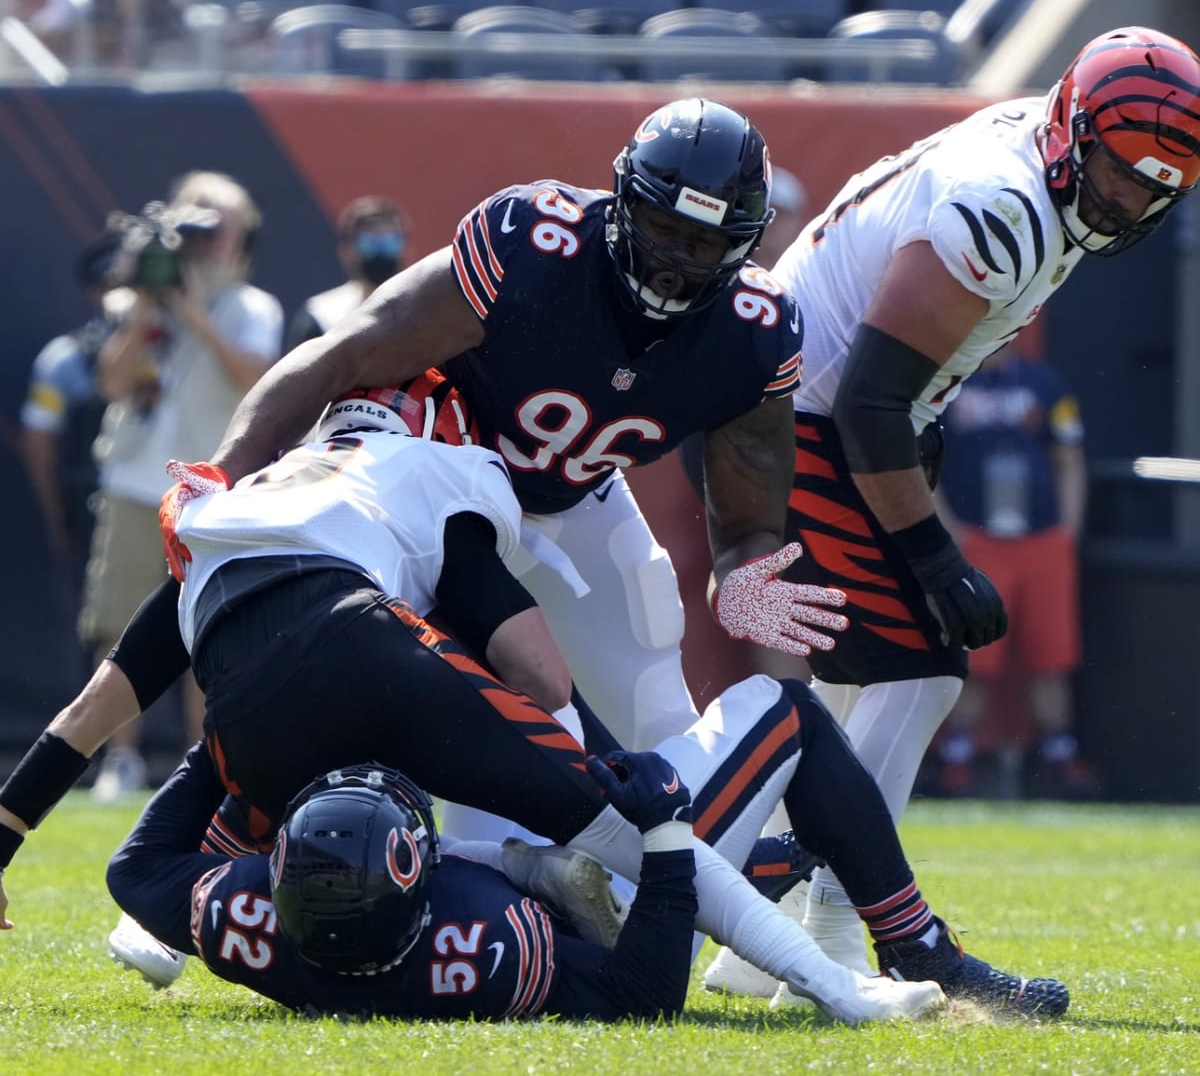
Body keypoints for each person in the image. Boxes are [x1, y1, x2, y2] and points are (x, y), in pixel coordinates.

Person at [0, 382, 1067, 1020]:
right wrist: (592, 783)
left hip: (248, 697)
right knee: (640, 824)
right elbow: (541, 676)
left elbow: (90, 714)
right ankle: (843, 985)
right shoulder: (427, 467)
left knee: (244, 774)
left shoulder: (237, 506)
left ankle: (195, 921)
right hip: (366, 648)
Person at [160, 98, 846, 855]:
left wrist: (743, 573)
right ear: (622, 201)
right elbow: (345, 353)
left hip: (572, 499)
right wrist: (222, 472)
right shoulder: (536, 242)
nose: (677, 260)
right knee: (341, 681)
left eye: (706, 243)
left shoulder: (754, 330)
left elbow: (746, 518)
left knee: (659, 705)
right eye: (665, 228)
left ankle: (672, 900)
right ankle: (197, 872)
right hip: (434, 492)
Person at [727, 24, 1200, 998]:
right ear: (1075, 132)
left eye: (1158, 186)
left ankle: (762, 945)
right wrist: (937, 558)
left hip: (809, 397)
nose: (1131, 200)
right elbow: (868, 399)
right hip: (801, 408)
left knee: (857, 683)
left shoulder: (1040, 167)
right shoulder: (1003, 206)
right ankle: (869, 940)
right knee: (923, 665)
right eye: (1119, 173)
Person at [107, 745, 702, 1021]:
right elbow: (646, 995)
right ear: (419, 890)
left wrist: (223, 743)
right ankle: (534, 873)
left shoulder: (238, 910)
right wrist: (668, 832)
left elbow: (132, 869)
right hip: (520, 914)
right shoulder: (491, 938)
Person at [80, 173, 283, 800]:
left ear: (240, 237)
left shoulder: (253, 307)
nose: (205, 241)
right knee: (120, 625)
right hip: (135, 480)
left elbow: (255, 377)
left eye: (217, 227)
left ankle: (206, 759)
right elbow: (111, 383)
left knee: (209, 627)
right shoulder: (130, 301)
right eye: (194, 225)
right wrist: (146, 299)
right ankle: (121, 760)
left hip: (209, 486)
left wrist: (192, 310)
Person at [931, 344, 1098, 799]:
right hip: (977, 539)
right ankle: (958, 754)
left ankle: (1060, 754)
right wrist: (949, 530)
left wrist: (1067, 530)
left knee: (1052, 654)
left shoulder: (1046, 384)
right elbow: (921, 465)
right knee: (975, 653)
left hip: (1041, 540)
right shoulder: (951, 382)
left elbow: (1069, 458)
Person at [18, 229, 122, 586]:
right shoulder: (65, 360)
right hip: (98, 510)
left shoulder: (188, 346)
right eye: (112, 283)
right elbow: (38, 442)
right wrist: (57, 517)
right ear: (95, 291)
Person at [284, 195, 409, 351]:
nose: (381, 252)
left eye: (389, 242)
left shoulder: (422, 308)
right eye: (370, 244)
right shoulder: (322, 316)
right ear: (347, 252)